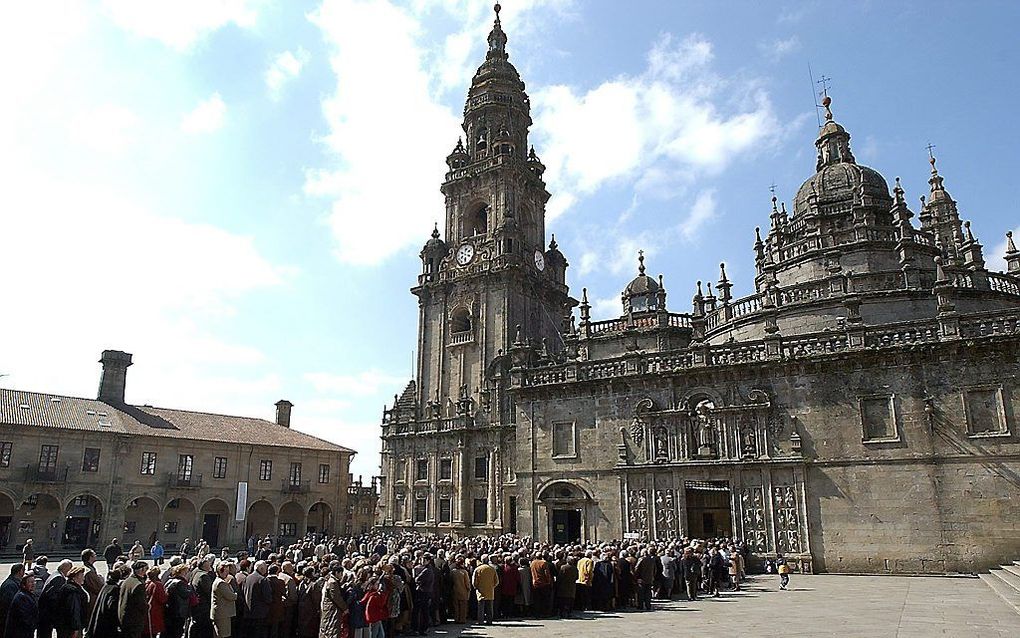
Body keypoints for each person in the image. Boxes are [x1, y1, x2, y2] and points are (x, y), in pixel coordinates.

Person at [85, 564, 124, 638]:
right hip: (108, 626)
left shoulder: (106, 586)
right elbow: (112, 606)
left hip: (99, 623)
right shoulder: (115, 589)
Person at [38, 559, 72, 638]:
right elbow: (53, 597)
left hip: (45, 611)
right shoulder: (59, 578)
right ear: (66, 568)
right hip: (47, 613)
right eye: (70, 568)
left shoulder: (55, 574)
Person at [54, 566, 89, 638]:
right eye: (82, 576)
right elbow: (74, 610)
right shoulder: (73, 591)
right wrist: (75, 628)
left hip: (64, 626)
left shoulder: (66, 587)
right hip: (70, 628)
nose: (83, 578)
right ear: (74, 577)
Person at [118, 561, 149, 638]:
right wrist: (148, 607)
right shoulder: (138, 585)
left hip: (123, 617)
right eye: (146, 569)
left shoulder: (126, 581)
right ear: (142, 570)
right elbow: (141, 604)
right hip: (134, 620)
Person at [242, 561, 271, 638]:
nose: (266, 570)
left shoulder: (247, 578)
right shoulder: (262, 580)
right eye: (265, 568)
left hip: (248, 612)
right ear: (261, 568)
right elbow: (268, 598)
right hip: (260, 614)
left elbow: (243, 593)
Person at [164, 564, 194, 638]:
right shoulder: (179, 583)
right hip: (178, 611)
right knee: (177, 632)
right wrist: (190, 587)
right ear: (182, 572)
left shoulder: (170, 580)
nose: (188, 574)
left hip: (170, 610)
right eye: (186, 572)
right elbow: (186, 594)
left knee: (170, 632)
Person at [319, 564, 347, 638]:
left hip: (331, 608)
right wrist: (345, 608)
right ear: (337, 573)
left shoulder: (332, 580)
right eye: (341, 573)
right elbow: (336, 597)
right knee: (332, 630)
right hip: (332, 609)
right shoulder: (333, 582)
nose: (342, 575)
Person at [211, 563, 238, 638]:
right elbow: (232, 596)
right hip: (222, 614)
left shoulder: (219, 581)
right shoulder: (221, 583)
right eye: (226, 571)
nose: (227, 574)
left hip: (221, 613)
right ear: (221, 571)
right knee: (223, 634)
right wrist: (235, 593)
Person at [471, 554, 498, 626]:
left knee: (481, 607)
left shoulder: (477, 569)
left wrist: (476, 587)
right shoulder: (492, 569)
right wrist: (492, 586)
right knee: (489, 607)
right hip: (490, 590)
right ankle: (489, 620)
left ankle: (480, 621)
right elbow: (496, 581)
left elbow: (474, 581)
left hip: (480, 590)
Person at [0, 564, 26, 638]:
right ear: (19, 572)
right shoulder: (10, 585)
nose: (24, 573)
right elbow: (10, 604)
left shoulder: (13, 583)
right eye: (23, 570)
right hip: (9, 622)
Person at [80, 551, 104, 622]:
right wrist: (101, 580)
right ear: (90, 557)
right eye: (94, 555)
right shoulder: (89, 571)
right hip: (92, 599)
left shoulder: (88, 568)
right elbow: (97, 586)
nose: (96, 556)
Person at [144, 567, 167, 638]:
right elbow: (163, 599)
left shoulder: (146, 583)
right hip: (155, 611)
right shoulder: (157, 584)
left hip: (148, 610)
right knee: (152, 633)